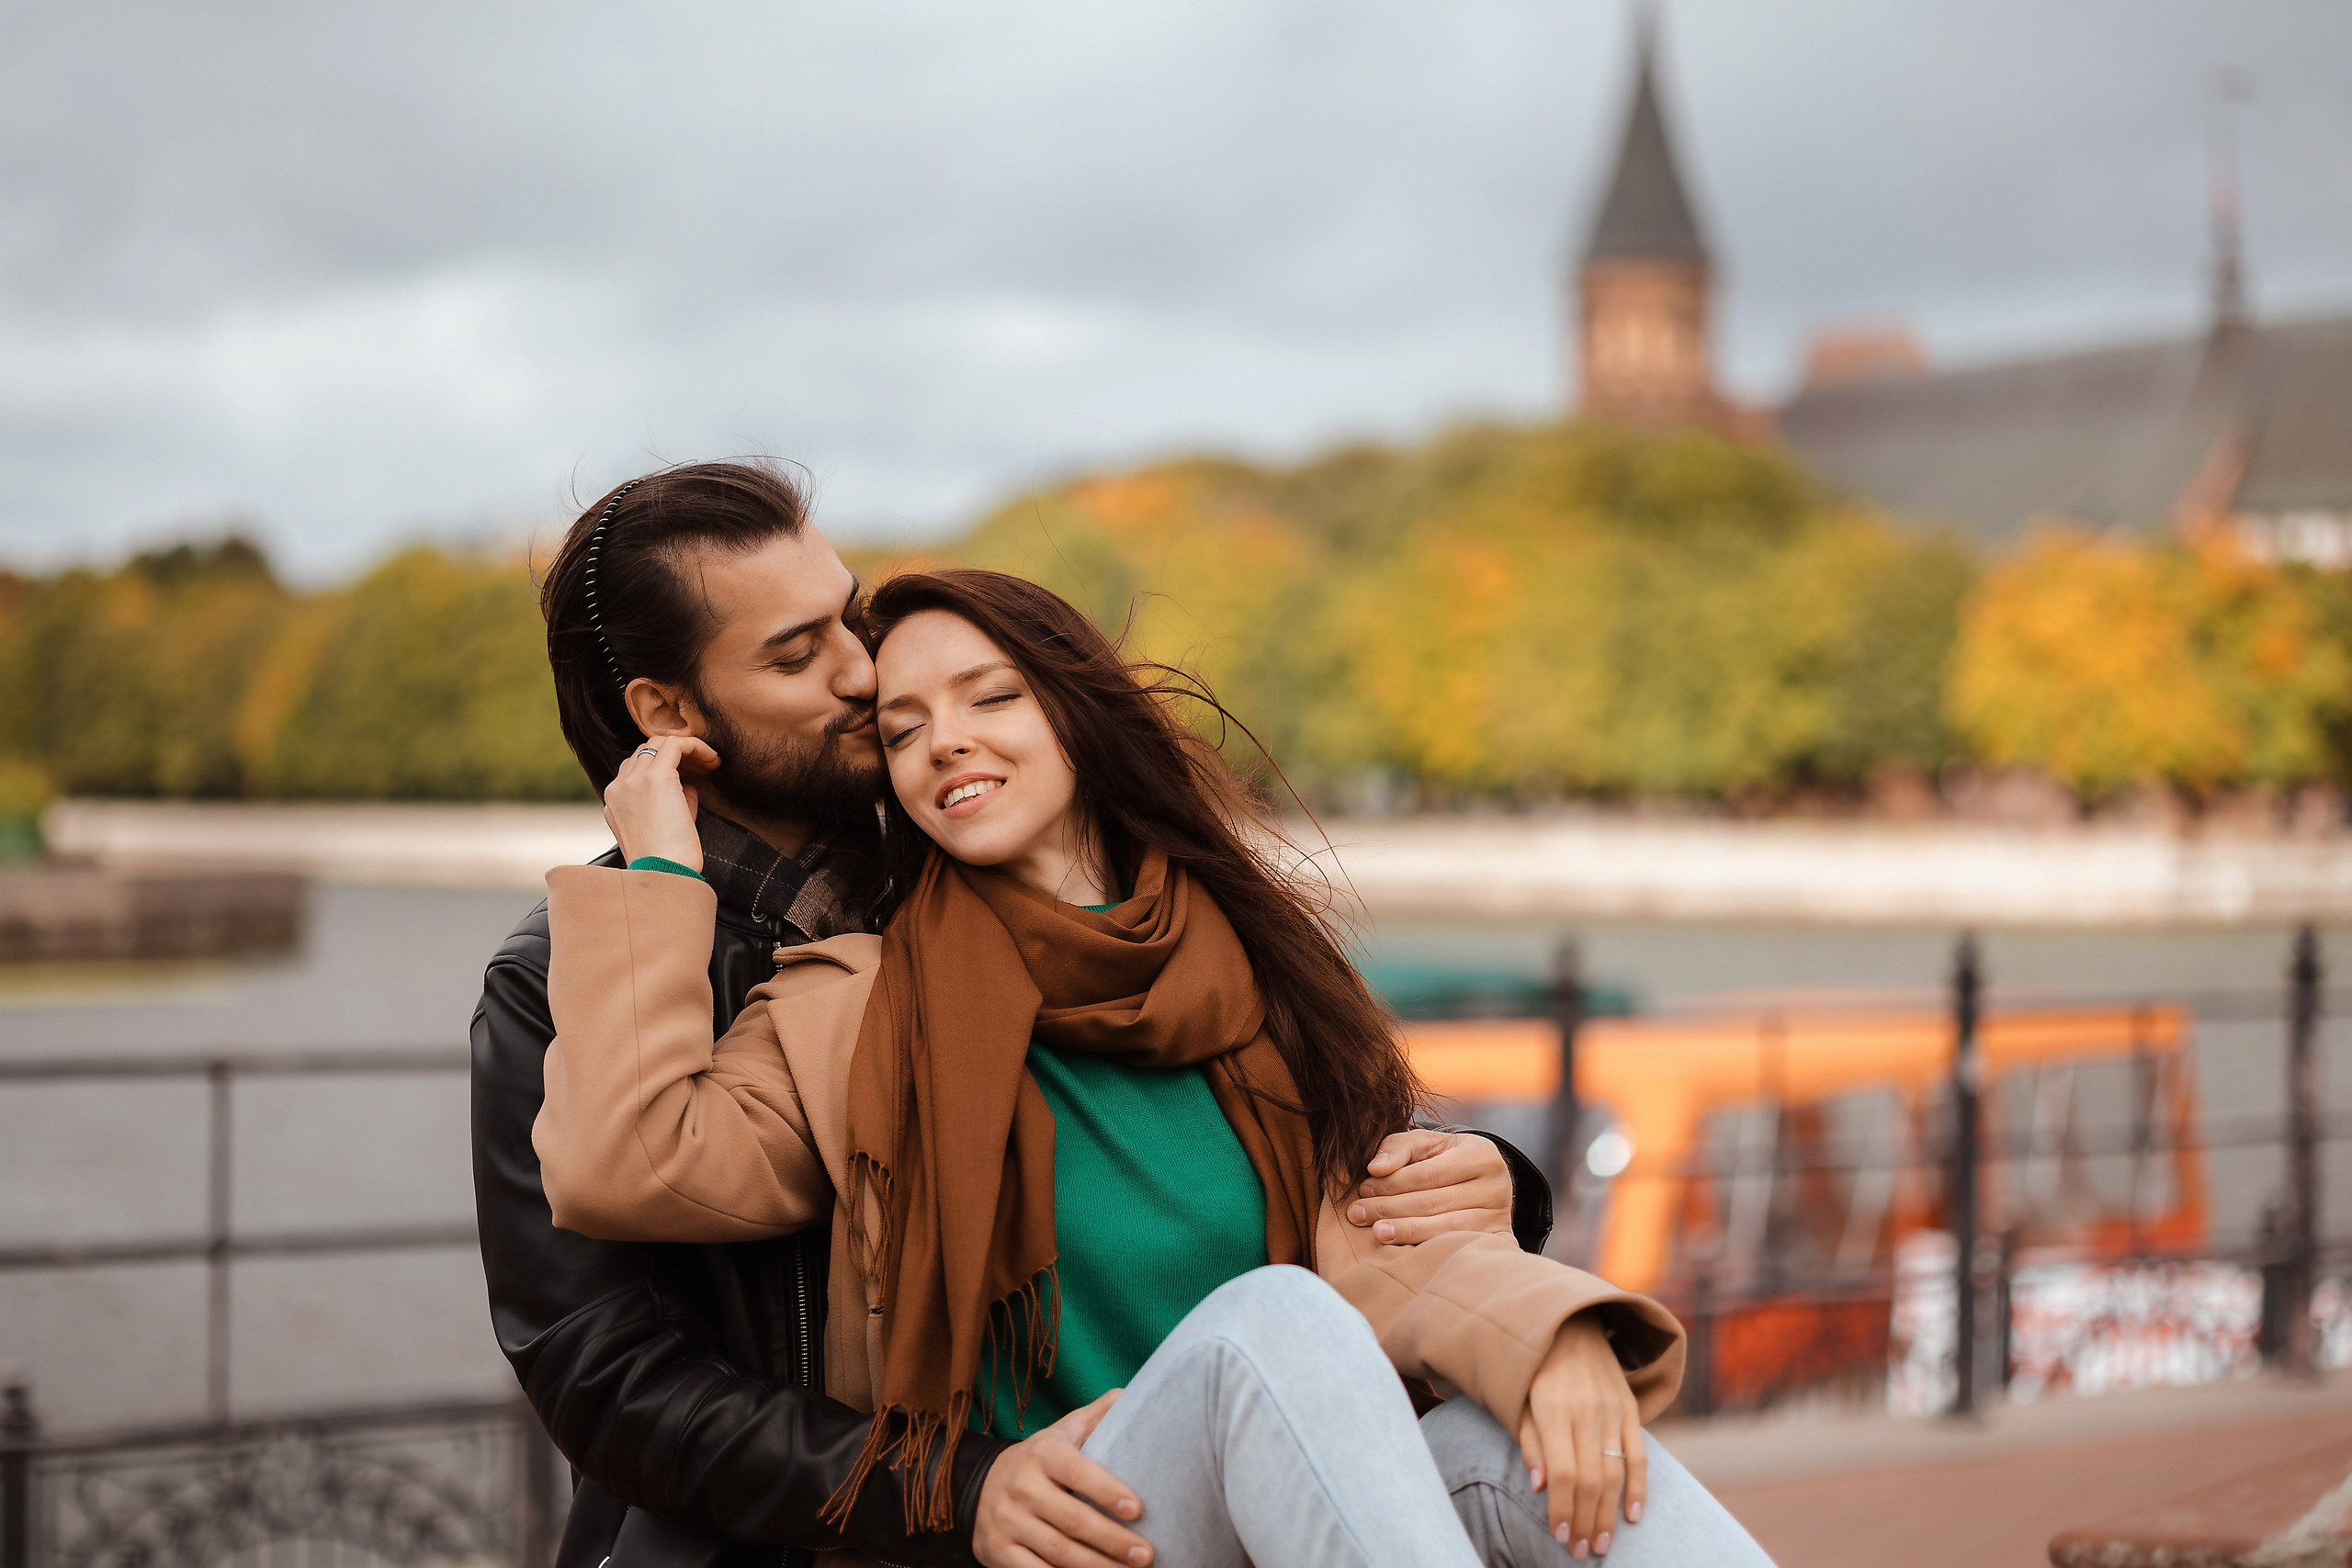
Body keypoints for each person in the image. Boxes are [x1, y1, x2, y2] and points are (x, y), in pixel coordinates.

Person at [534, 565, 1780, 1568]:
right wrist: (655, 873)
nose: (943, 744)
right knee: (1272, 1322)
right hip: (1058, 1527)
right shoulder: (857, 1006)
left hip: (1268, 1507)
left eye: (990, 698)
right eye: (903, 728)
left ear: (1074, 709)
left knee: (1532, 1454)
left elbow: (1397, 1237)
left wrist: (1553, 1344)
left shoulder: (1249, 972)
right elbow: (628, 1166)